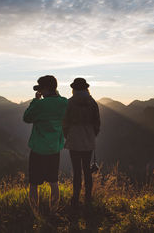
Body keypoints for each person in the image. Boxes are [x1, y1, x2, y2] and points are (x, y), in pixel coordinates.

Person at [23, 75, 68, 213]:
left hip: (38, 149)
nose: (40, 90)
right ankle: (53, 211)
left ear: (46, 88)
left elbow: (26, 118)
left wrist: (35, 100)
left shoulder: (40, 104)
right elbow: (60, 104)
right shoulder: (64, 102)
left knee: (34, 184)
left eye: (41, 88)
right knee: (54, 182)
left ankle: (35, 212)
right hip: (54, 149)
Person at [63, 77, 100, 207]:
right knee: (87, 170)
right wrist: (91, 135)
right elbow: (97, 123)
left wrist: (67, 135)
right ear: (86, 88)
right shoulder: (92, 102)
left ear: (74, 89)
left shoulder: (70, 102)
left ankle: (75, 199)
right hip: (88, 139)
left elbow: (65, 122)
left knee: (77, 171)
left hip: (73, 139)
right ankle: (88, 198)